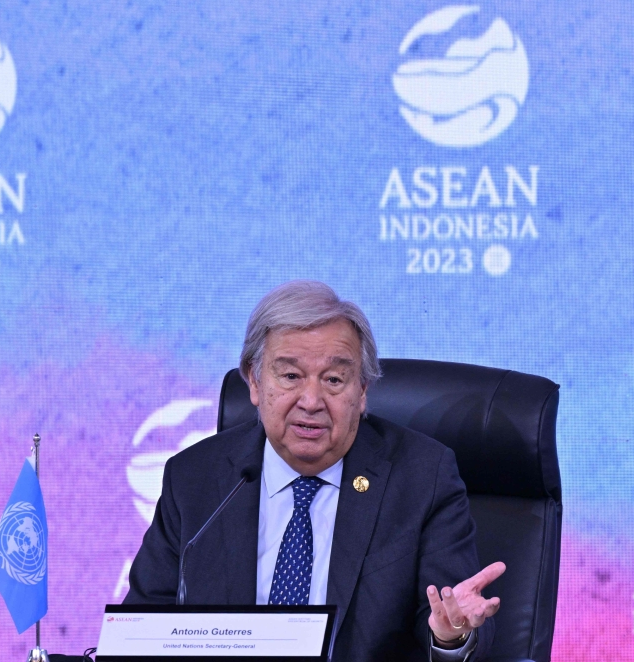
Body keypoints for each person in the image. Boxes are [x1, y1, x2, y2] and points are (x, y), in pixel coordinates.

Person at [125, 280, 505, 661]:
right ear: (254, 382)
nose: (311, 401)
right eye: (290, 376)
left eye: (334, 380)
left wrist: (449, 637)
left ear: (362, 390)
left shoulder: (422, 477)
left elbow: (449, 615)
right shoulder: (196, 478)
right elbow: (140, 627)